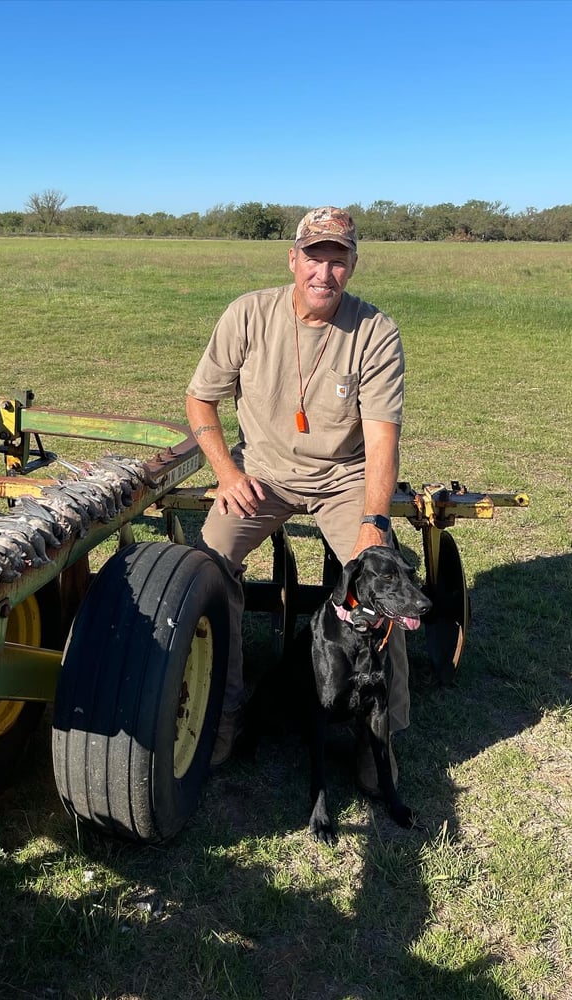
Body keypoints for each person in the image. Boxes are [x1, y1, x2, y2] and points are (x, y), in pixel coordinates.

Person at [185, 206, 409, 785]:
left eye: (338, 260)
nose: (324, 273)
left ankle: (378, 736)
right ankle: (225, 709)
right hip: (262, 472)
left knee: (381, 577)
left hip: (344, 476)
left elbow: (383, 438)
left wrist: (374, 519)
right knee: (209, 560)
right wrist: (227, 475)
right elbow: (200, 400)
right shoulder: (248, 314)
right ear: (293, 259)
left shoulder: (375, 331)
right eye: (314, 257)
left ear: (353, 265)